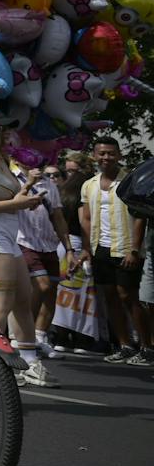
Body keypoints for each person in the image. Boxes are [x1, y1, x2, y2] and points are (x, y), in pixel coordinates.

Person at [0, 126, 55, 388]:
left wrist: (26, 193)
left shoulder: (1, 159)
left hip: (11, 237)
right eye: (6, 129)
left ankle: (30, 363)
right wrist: (16, 204)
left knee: (23, 299)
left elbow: (10, 197)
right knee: (1, 303)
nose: (13, 135)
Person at [80, 137, 149, 363]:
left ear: (119, 155)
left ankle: (147, 347)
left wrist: (134, 250)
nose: (106, 158)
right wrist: (87, 248)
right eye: (101, 153)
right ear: (94, 156)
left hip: (126, 248)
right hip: (101, 248)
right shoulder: (89, 185)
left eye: (110, 153)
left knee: (128, 296)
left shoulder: (131, 181)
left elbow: (140, 217)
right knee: (110, 297)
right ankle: (124, 344)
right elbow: (86, 218)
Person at [18, 162, 76, 357]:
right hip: (24, 241)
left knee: (51, 290)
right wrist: (28, 184)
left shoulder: (49, 184)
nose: (37, 163)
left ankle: (39, 337)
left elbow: (58, 217)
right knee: (41, 286)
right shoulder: (13, 179)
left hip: (48, 243)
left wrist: (69, 249)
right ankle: (25, 338)